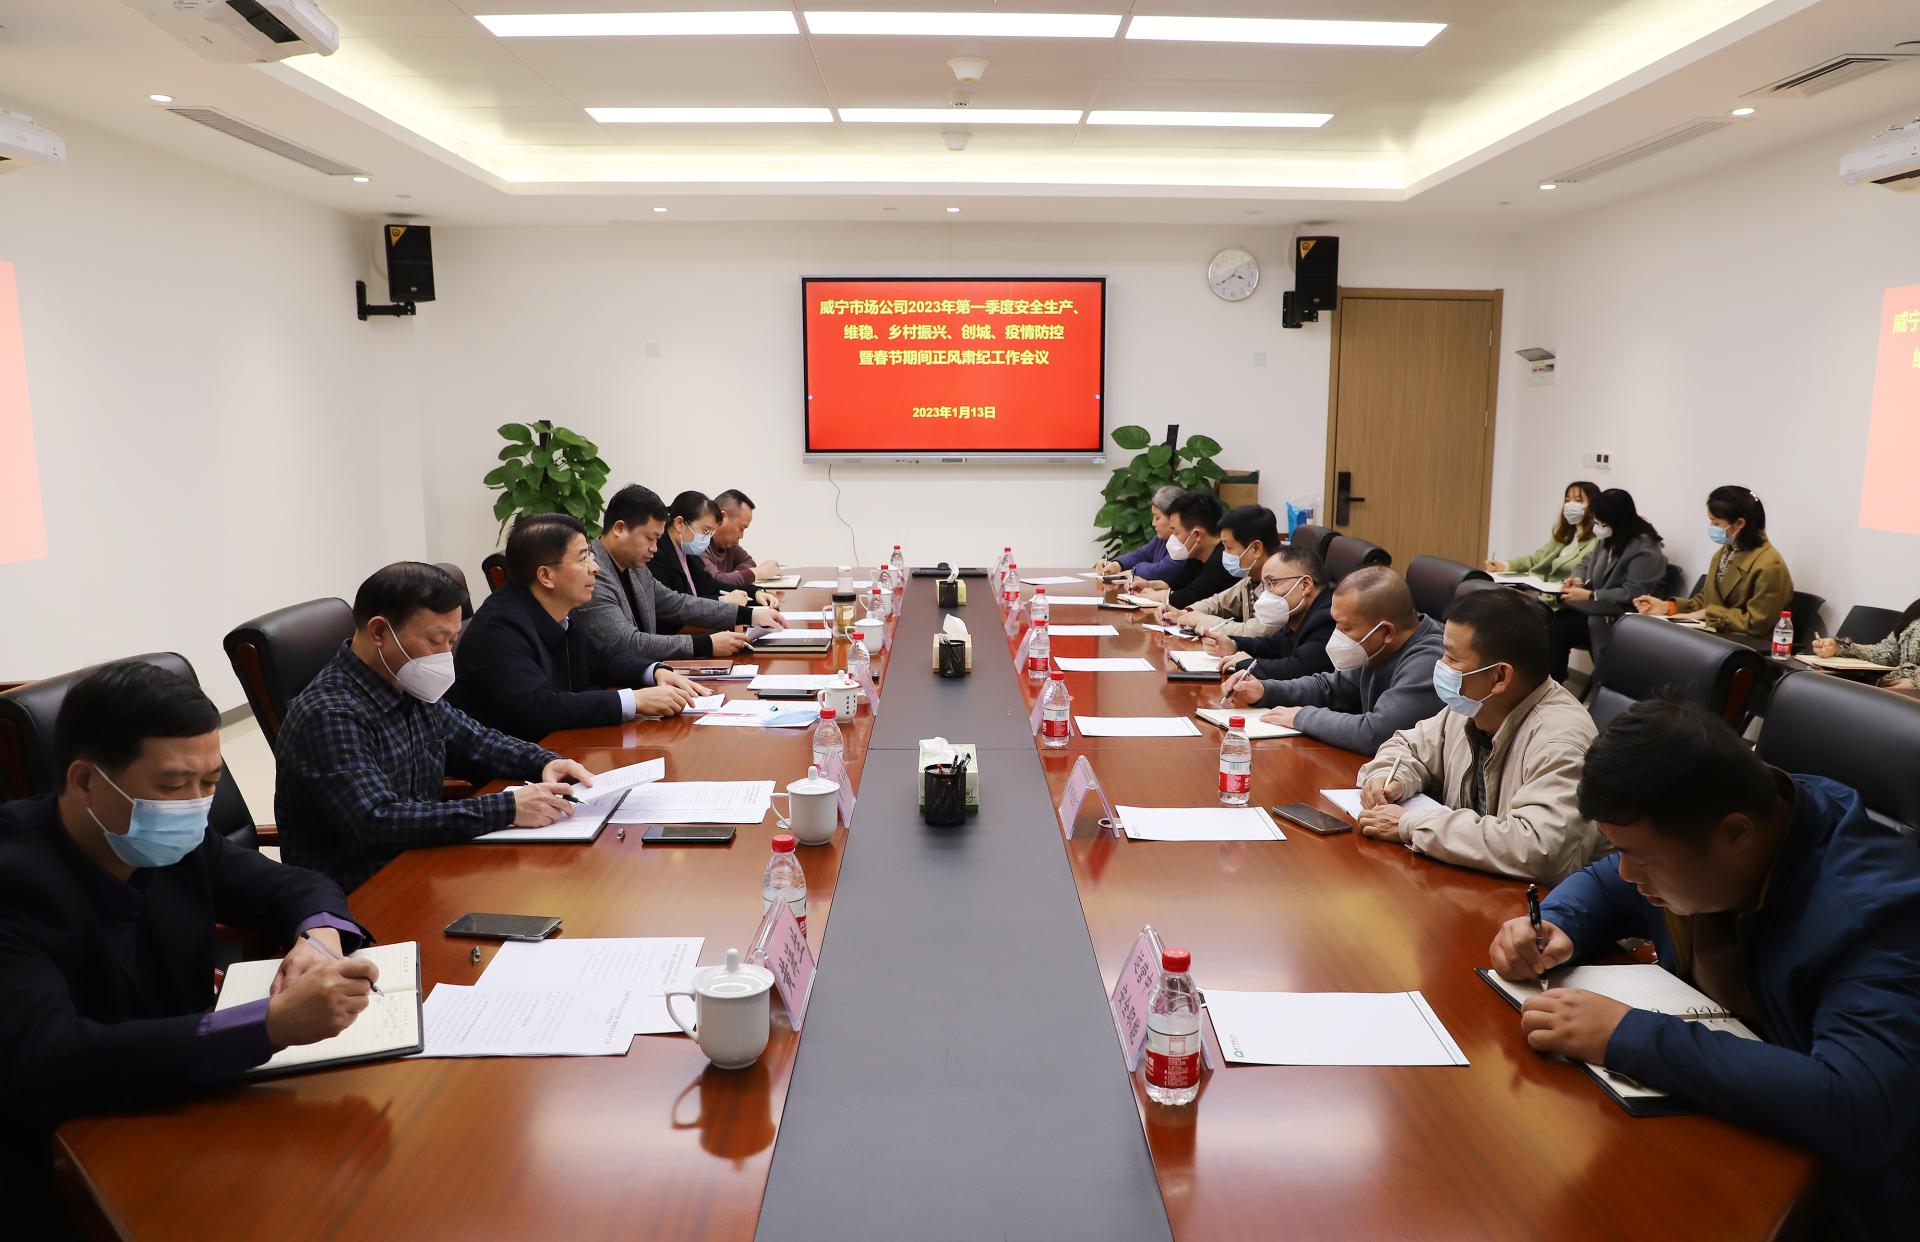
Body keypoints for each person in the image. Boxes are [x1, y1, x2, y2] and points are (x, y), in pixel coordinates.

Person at [1487, 700, 1920, 1240]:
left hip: (1827, 1199)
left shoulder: (1877, 916)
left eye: (1642, 858)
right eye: (1621, 850)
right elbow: (1605, 882)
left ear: (1735, 834)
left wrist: (1625, 1035)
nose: (1627, 872)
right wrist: (1558, 923)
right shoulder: (1711, 823)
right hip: (1715, 1122)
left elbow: (1856, 1104)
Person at [0, 662, 378, 1230]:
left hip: (191, 1104)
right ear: (84, 782)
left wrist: (318, 937)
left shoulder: (172, 839)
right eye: (174, 786)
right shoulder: (15, 881)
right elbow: (50, 1058)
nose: (195, 806)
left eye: (210, 782)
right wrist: (268, 1025)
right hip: (74, 1152)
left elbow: (293, 885)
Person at [276, 562, 600, 892]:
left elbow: (475, 741)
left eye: (452, 640)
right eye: (435, 640)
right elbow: (377, 820)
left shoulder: (405, 679)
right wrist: (509, 808)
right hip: (363, 893)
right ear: (379, 632)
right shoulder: (330, 714)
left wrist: (544, 761)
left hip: (423, 864)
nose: (446, 655)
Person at [1353, 588, 1605, 882]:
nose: (1440, 666)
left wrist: (1412, 824)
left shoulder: (1559, 741)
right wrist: (1389, 777)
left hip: (1532, 900)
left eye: (1451, 658)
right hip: (1471, 880)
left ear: (1500, 676)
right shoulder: (1475, 705)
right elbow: (1408, 746)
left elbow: (1539, 848)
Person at [450, 513, 707, 742]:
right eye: (583, 558)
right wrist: (635, 700)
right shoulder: (499, 629)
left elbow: (601, 658)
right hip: (515, 766)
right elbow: (538, 708)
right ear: (546, 576)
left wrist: (654, 672)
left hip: (561, 747)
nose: (595, 568)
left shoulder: (560, 607)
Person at [1225, 565, 1444, 754]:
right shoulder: (1379, 646)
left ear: (1386, 631)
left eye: (1345, 627)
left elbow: (1376, 733)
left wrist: (1302, 716)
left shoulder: (1429, 660)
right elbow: (1329, 688)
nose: (1336, 635)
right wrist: (1265, 690)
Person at [578, 485, 785, 678]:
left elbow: (678, 603)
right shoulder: (593, 575)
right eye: (650, 538)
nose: (654, 548)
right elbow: (629, 643)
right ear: (619, 528)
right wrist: (706, 644)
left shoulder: (634, 568)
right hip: (614, 687)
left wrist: (748, 614)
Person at [1633, 485, 1792, 637]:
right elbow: (1707, 600)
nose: (1711, 526)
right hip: (1716, 637)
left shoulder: (1770, 564)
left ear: (1739, 523)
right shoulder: (1725, 552)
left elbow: (1757, 623)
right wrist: (1667, 607)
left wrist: (1710, 614)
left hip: (1744, 645)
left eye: (1716, 522)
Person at [1546, 488, 1667, 681]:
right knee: (1554, 620)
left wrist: (1591, 595)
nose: (1597, 528)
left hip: (1619, 617)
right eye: (1596, 522)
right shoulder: (1610, 537)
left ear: (1617, 521)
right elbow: (1586, 562)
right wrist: (1577, 579)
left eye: (1601, 523)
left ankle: (1558, 683)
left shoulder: (1644, 548)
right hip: (1597, 611)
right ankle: (1552, 680)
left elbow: (1634, 592)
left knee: (1561, 627)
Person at [1201, 543, 1336, 681]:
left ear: (1305, 585)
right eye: (1264, 586)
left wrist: (1249, 664)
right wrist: (1234, 645)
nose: (1265, 594)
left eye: (1272, 583)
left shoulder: (1329, 618)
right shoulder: (1298, 614)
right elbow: (1275, 646)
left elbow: (1300, 669)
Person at [1158, 504, 1282, 639]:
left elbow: (1254, 632)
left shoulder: (1281, 583)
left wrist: (1203, 620)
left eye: (1229, 548)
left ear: (1256, 549)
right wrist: (1184, 613)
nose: (1224, 554)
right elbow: (1219, 603)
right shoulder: (1252, 578)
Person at [652, 490, 756, 605]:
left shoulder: (689, 553)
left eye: (711, 532)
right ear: (680, 523)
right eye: (706, 531)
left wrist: (754, 593)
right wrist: (721, 600)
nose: (707, 538)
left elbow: (711, 585)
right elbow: (674, 605)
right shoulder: (657, 555)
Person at [1134, 492, 1235, 608]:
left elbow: (1190, 597)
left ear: (1197, 535)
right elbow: (1177, 585)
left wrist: (1158, 596)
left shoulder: (1224, 561)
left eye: (1175, 533)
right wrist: (1149, 585)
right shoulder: (1195, 556)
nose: (1172, 539)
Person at [1487, 481, 1599, 579]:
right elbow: (1536, 559)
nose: (1570, 505)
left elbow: (1582, 571)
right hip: (1538, 589)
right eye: (1567, 500)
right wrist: (1505, 566)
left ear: (1593, 505)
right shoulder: (1564, 535)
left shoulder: (1596, 541)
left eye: (1578, 501)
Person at [1811, 597, 1920, 690]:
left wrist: (1916, 684)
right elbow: (1889, 653)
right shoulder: (1916, 610)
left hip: (1909, 698)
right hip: (1888, 689)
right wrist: (1840, 648)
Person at [1096, 485, 1184, 583]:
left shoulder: (1185, 543)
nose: (1153, 523)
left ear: (1174, 517)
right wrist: (1117, 564)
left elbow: (1163, 571)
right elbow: (1141, 555)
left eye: (1157, 518)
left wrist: (1135, 571)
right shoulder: (1161, 540)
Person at [704, 488, 784, 590]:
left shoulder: (729, 545)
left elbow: (749, 562)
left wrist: (734, 577)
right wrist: (759, 572)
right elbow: (714, 581)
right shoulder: (699, 544)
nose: (741, 536)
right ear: (722, 517)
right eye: (741, 528)